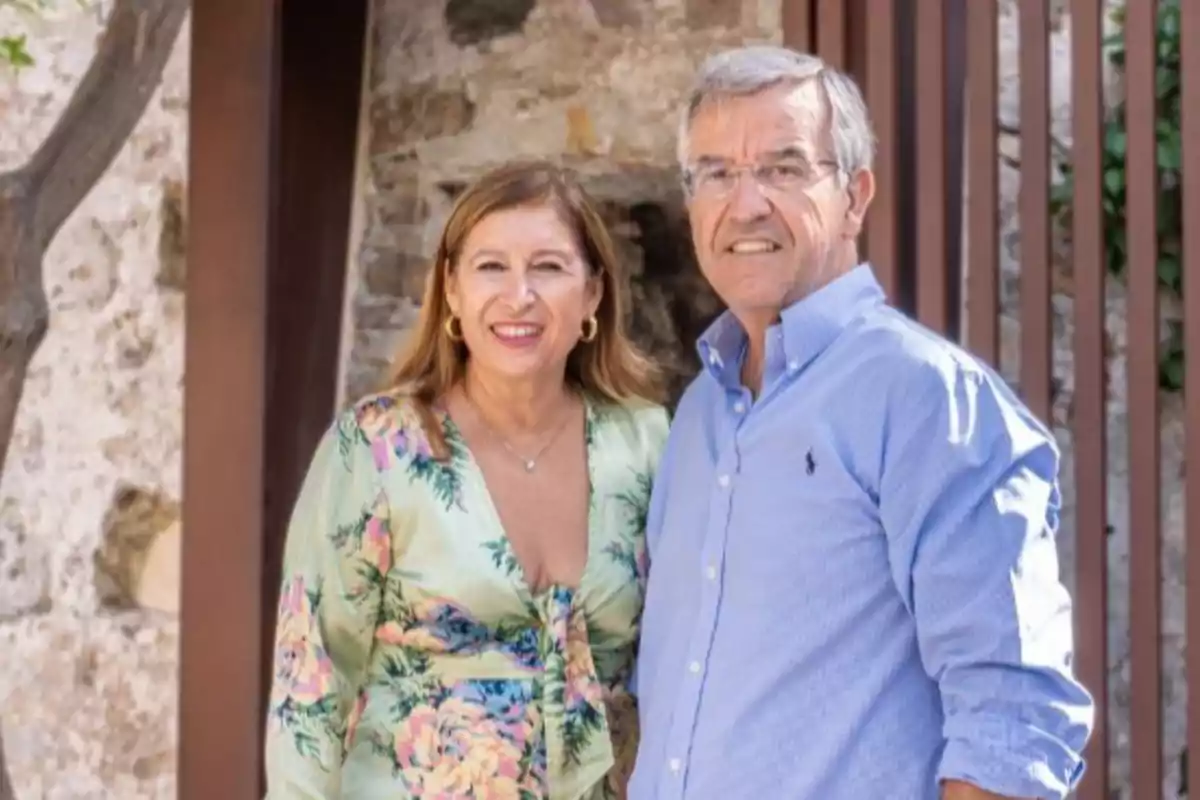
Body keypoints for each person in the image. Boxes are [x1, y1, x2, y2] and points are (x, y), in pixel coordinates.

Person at [628, 45, 1094, 800]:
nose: (745, 204)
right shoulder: (697, 418)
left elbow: (1013, 720)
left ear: (855, 197)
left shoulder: (925, 399)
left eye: (784, 168)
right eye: (715, 172)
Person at [264, 160, 670, 799]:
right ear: (451, 289)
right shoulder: (377, 447)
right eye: (491, 267)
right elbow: (309, 681)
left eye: (548, 266)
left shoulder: (646, 444)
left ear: (592, 293)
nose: (519, 296)